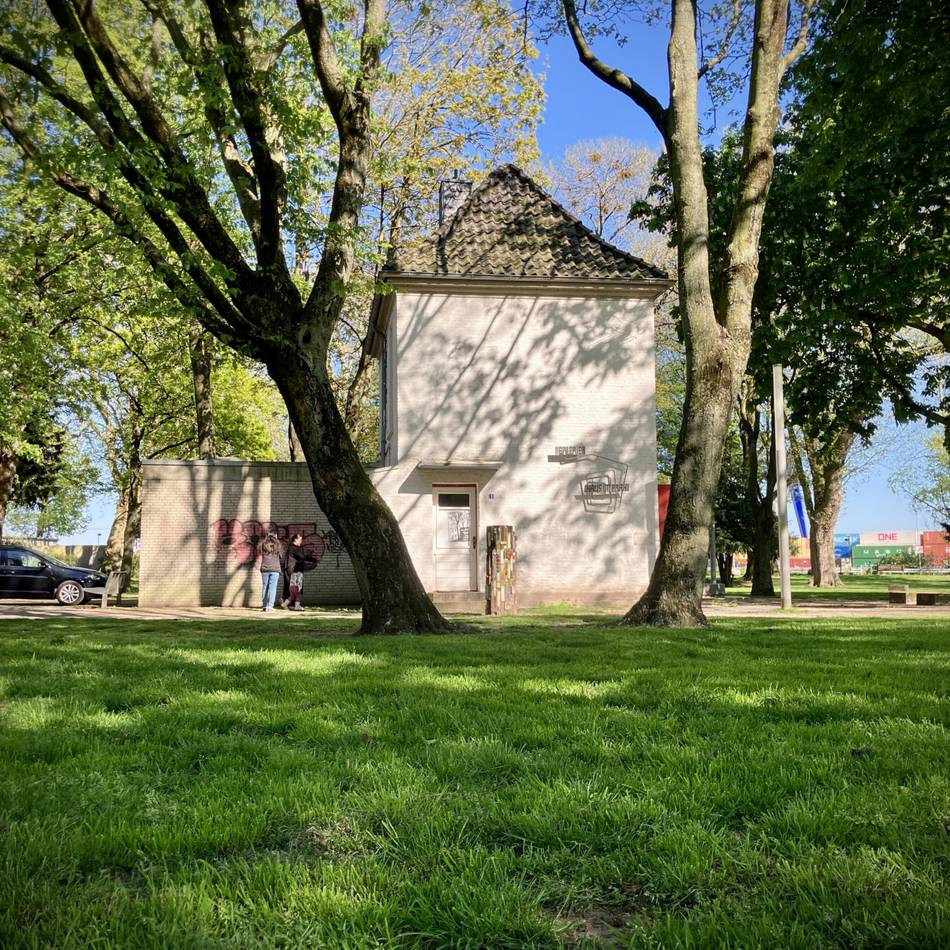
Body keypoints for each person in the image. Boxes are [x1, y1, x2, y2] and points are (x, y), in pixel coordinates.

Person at [280, 532, 317, 611]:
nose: (301, 541)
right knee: (298, 589)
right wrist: (313, 559)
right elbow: (302, 556)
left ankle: (286, 603)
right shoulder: (294, 548)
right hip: (295, 572)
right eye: (300, 539)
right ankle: (296, 605)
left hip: (291, 571)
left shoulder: (291, 548)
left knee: (292, 589)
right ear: (295, 539)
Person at [258, 532, 283, 612]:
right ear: (275, 536)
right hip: (275, 569)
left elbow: (259, 552)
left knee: (265, 587)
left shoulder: (263, 545)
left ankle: (264, 606)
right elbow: (281, 556)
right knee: (273, 588)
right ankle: (270, 607)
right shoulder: (278, 545)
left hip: (265, 569)